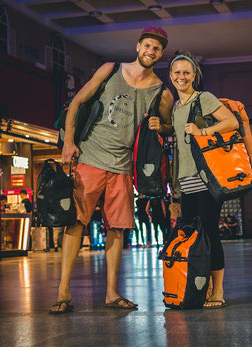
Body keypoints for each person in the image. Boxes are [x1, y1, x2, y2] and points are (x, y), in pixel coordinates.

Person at [50, 26, 174, 313]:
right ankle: (63, 293)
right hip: (90, 158)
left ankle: (111, 293)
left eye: (156, 49)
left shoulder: (161, 92)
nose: (150, 52)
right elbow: (77, 102)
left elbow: (168, 127)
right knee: (76, 223)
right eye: (147, 46)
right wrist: (69, 142)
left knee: (117, 229)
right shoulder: (110, 69)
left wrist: (161, 126)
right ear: (137, 46)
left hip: (123, 168)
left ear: (160, 54)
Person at [165, 52, 238, 308]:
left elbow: (232, 121)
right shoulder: (176, 107)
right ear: (170, 76)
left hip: (207, 179)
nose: (181, 77)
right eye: (177, 72)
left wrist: (204, 130)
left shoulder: (203, 98)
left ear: (194, 75)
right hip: (186, 181)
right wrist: (161, 127)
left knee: (208, 234)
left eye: (186, 72)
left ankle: (218, 291)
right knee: (193, 235)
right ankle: (204, 287)